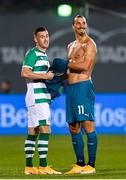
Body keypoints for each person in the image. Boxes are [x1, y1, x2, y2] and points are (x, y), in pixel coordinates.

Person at [21, 27, 61, 175]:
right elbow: (24, 72)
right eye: (42, 36)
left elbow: (41, 76)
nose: (45, 39)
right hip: (37, 97)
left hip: (39, 95)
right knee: (45, 129)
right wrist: (46, 76)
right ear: (35, 39)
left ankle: (29, 167)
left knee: (33, 131)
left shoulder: (43, 56)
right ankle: (43, 166)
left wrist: (51, 88)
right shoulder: (33, 53)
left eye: (47, 36)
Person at [65, 15, 97, 174]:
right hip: (70, 89)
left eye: (83, 23)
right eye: (78, 23)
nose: (81, 25)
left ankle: (91, 165)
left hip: (83, 87)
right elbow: (68, 70)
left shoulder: (89, 44)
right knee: (73, 126)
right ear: (73, 26)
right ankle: (80, 163)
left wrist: (67, 64)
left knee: (87, 124)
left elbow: (85, 65)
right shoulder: (70, 45)